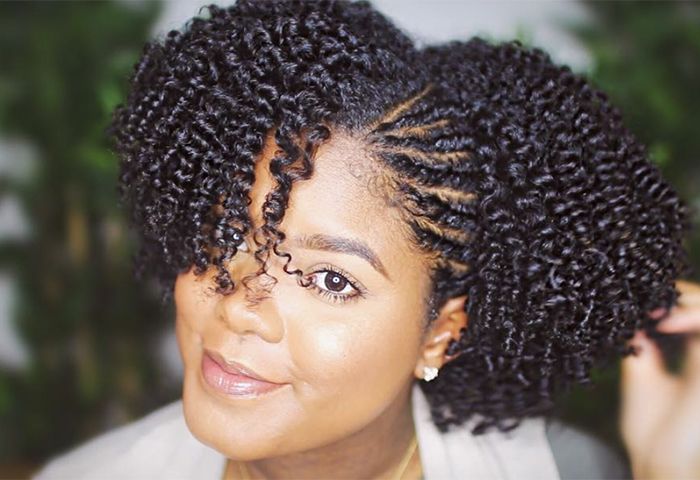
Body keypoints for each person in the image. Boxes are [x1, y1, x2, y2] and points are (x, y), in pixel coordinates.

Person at [34, 0, 700, 478]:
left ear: (440, 332)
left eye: (331, 279)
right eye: (233, 231)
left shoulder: (565, 472)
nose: (241, 306)